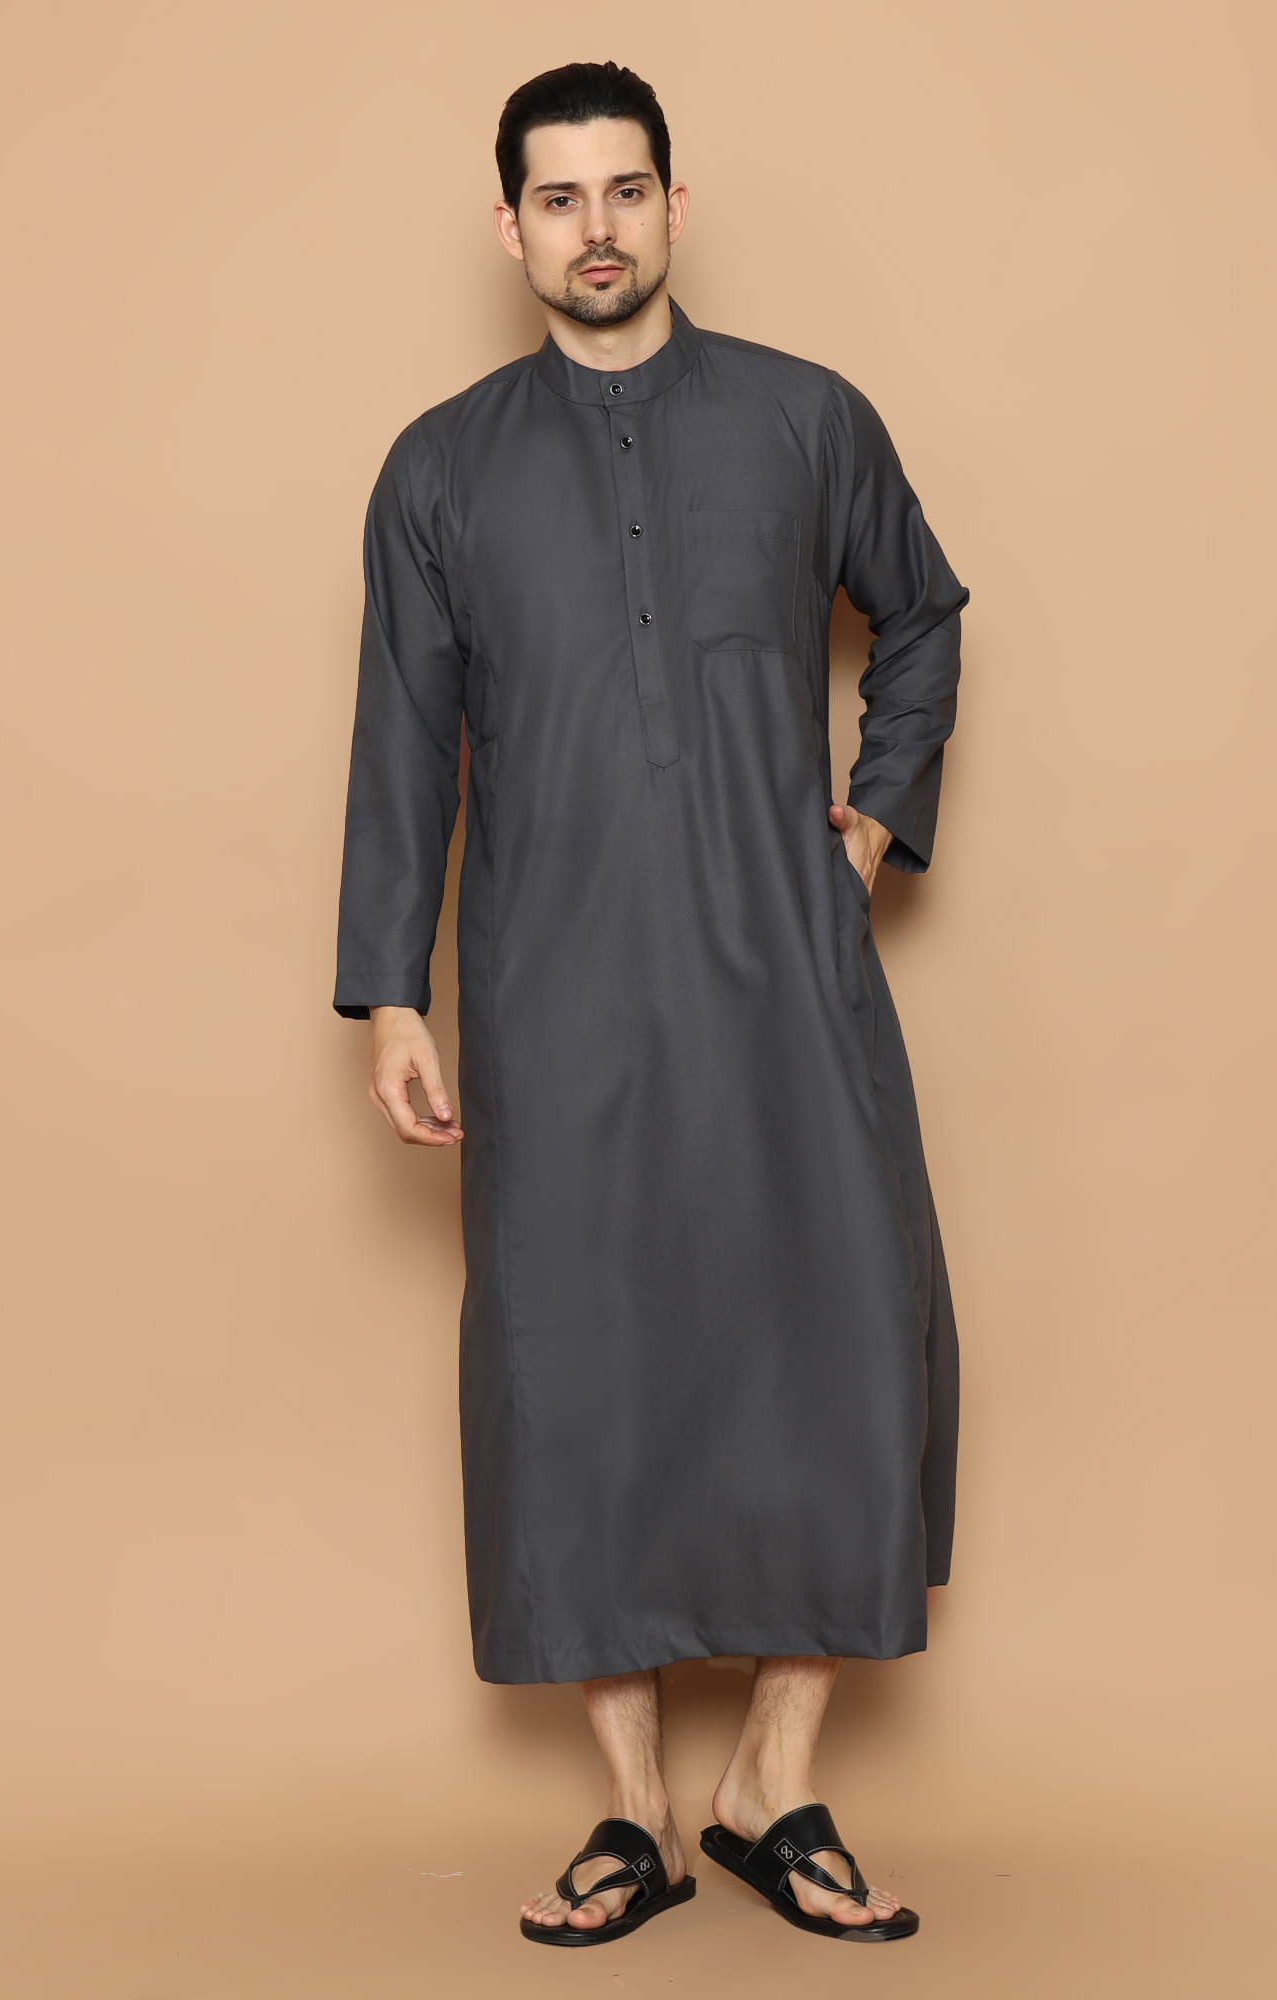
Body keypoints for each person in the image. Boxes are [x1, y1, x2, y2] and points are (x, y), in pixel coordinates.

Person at [333, 60, 967, 1948]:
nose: (595, 228)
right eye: (559, 198)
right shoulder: (440, 467)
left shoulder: (803, 418)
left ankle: (775, 1779)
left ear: (675, 207)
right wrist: (390, 994)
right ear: (510, 225)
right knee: (575, 1359)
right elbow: (403, 739)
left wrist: (875, 820)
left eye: (624, 191)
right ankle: (635, 1814)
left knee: (841, 1340)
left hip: (787, 963)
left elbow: (923, 614)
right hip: (554, 973)